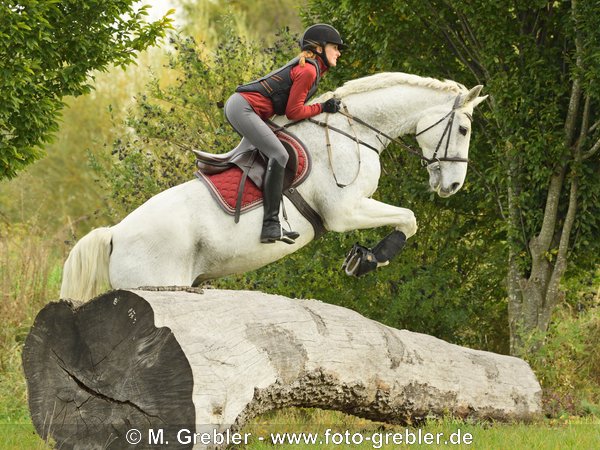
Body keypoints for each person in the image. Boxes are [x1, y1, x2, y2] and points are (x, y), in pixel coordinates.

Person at [224, 24, 346, 244]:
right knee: (280, 155)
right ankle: (271, 225)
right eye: (335, 47)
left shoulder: (311, 68)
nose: (338, 52)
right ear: (319, 49)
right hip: (243, 108)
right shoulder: (308, 70)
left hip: (249, 109)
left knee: (274, 151)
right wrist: (323, 107)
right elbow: (294, 112)